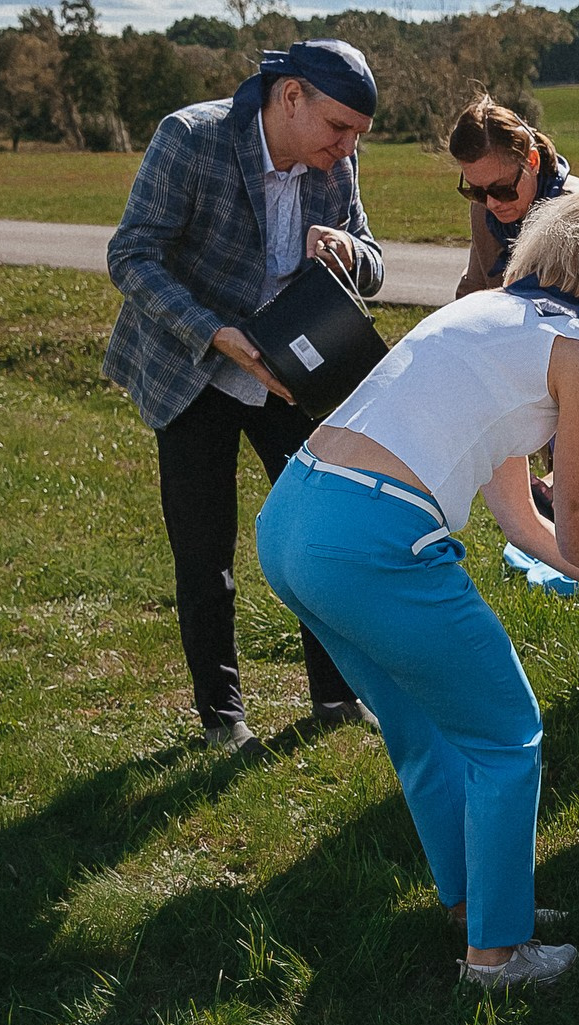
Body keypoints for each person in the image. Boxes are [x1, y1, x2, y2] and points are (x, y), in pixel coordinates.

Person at [255, 191, 579, 989]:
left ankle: (475, 908)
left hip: (292, 521)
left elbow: (527, 526)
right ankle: (497, 956)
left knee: (421, 730)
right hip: (373, 539)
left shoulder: (482, 316)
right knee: (508, 735)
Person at [105, 39, 385, 757]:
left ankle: (335, 696)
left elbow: (373, 259)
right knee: (205, 552)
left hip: (289, 374)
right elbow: (131, 254)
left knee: (318, 535)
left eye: (358, 134)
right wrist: (214, 333)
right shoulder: (190, 138)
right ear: (290, 97)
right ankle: (222, 719)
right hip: (193, 366)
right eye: (339, 128)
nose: (348, 148)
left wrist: (351, 254)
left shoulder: (336, 158)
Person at [448, 95, 579, 298]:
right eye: (476, 191)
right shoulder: (483, 209)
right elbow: (474, 287)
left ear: (532, 161)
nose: (491, 203)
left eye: (502, 189)